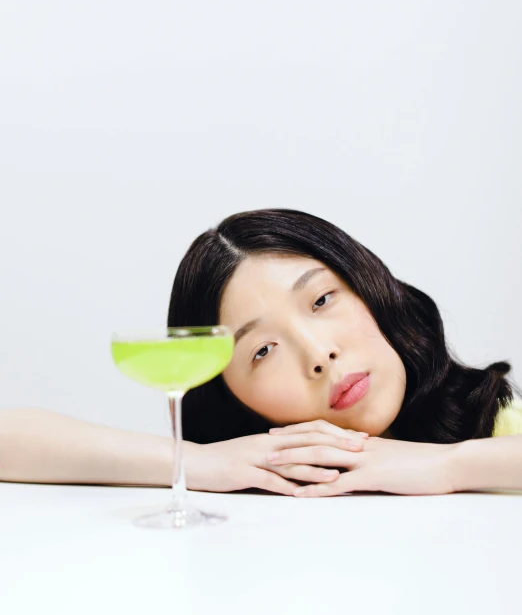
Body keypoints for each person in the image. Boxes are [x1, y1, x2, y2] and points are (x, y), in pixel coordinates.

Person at [2, 208, 522, 497]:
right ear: (227, 390)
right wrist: (199, 465)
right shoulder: (263, 478)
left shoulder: (494, 426)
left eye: (321, 299)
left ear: (371, 288)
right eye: (263, 350)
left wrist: (447, 467)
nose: (319, 354)